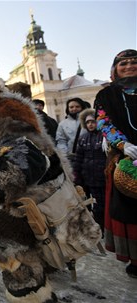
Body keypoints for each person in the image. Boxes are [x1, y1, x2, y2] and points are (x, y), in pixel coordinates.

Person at [0, 41, 101, 302]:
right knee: (22, 246)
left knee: (5, 244)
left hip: (42, 188)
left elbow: (27, 161)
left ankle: (33, 296)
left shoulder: (2, 108)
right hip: (22, 189)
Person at [94, 49, 137, 278]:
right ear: (115, 69)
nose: (129, 66)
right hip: (125, 158)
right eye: (124, 64)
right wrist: (122, 145)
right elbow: (103, 122)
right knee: (129, 209)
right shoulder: (107, 95)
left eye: (134, 62)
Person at [72, 109, 107, 233]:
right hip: (87, 178)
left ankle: (104, 228)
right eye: (87, 122)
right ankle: (94, 229)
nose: (90, 124)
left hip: (102, 178)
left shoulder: (104, 137)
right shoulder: (83, 138)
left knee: (102, 206)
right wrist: (76, 176)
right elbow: (78, 159)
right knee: (90, 205)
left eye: (93, 121)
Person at [55, 97, 88, 161]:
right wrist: (65, 155)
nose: (74, 109)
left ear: (82, 107)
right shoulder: (62, 124)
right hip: (72, 158)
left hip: (89, 157)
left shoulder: (88, 120)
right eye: (71, 107)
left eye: (77, 106)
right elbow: (61, 141)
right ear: (68, 109)